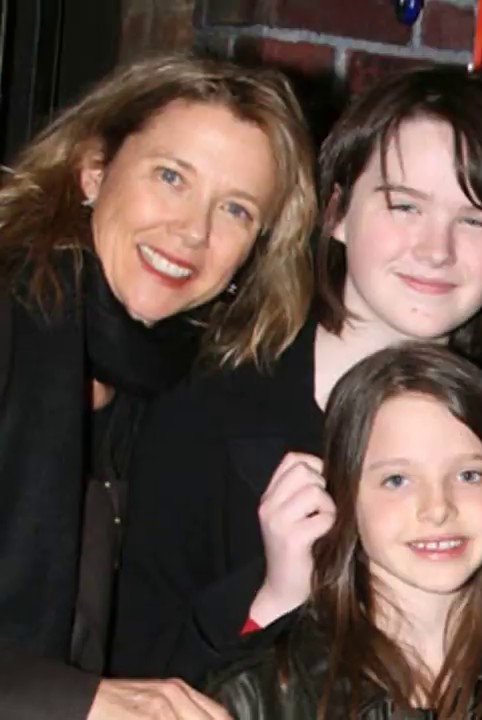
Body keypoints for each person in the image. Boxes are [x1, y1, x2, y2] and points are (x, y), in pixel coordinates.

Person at [113, 66, 482, 686]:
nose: (436, 249)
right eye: (404, 205)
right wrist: (271, 603)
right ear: (335, 212)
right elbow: (135, 676)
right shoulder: (205, 408)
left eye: (475, 219)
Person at [0, 53, 316, 719]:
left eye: (235, 209)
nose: (193, 232)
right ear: (93, 170)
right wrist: (78, 702)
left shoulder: (168, 392)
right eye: (171, 177)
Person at [205, 343, 482, 719]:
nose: (437, 508)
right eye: (397, 480)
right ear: (342, 496)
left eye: (469, 475)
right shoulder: (254, 699)